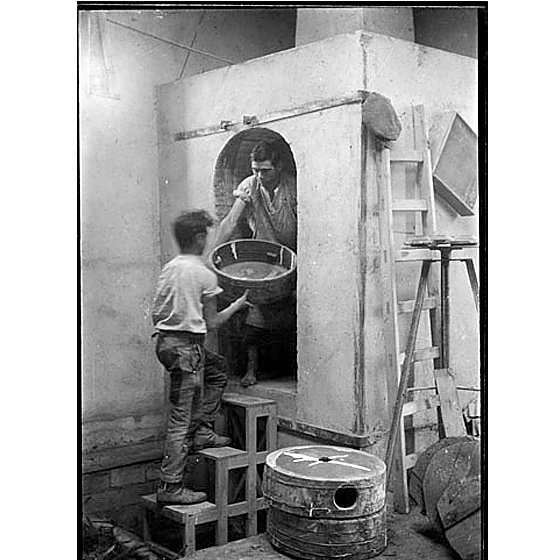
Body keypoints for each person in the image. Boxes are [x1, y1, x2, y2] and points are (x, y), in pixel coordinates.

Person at [152, 209, 250, 505]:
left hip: (166, 344)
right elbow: (214, 322)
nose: (208, 240)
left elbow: (159, 309)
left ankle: (202, 431)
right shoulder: (204, 274)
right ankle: (170, 486)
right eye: (206, 235)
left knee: (218, 369)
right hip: (186, 348)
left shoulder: (170, 267)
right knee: (180, 419)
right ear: (197, 238)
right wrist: (238, 305)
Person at [211, 141, 297, 387]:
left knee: (291, 313)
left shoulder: (293, 187)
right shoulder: (249, 185)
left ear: (279, 167)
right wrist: (210, 257)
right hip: (264, 256)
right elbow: (230, 221)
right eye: (255, 170)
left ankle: (285, 368)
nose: (259, 176)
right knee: (254, 310)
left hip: (294, 254)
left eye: (265, 170)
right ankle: (251, 369)